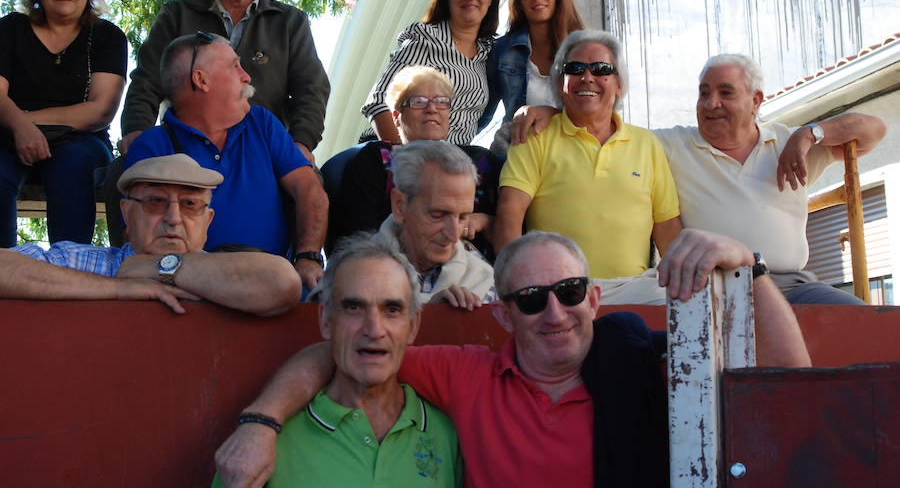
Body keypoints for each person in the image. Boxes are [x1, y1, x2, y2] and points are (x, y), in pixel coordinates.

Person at [213, 228, 810, 487]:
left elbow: (792, 388)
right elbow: (346, 352)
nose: (554, 314)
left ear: (594, 299)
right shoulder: (466, 373)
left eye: (570, 292)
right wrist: (262, 422)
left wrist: (749, 265)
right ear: (502, 314)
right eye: (529, 300)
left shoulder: (642, 366)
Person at [212, 233, 462, 487]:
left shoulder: (446, 434)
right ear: (326, 320)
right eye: (354, 307)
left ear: (413, 326)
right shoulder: (262, 443)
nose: (374, 329)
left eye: (392, 310)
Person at [653, 54, 887, 304]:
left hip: (791, 287)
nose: (711, 104)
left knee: (863, 320)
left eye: (726, 93)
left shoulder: (788, 144)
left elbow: (873, 130)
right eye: (704, 93)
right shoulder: (671, 145)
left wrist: (809, 134)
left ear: (755, 101)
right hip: (711, 289)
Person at [124, 33, 327, 287]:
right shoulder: (152, 147)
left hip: (278, 285)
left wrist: (308, 257)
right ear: (201, 80)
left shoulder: (262, 123)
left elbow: (310, 190)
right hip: (190, 290)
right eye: (235, 66)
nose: (247, 76)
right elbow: (139, 240)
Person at [119, 0, 328, 163]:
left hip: (264, 150)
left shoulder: (290, 22)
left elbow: (312, 89)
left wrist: (300, 144)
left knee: (312, 192)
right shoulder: (178, 14)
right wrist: (137, 132)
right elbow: (147, 80)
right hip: (185, 148)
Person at [1, 153, 300, 316]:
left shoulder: (230, 276)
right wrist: (118, 289)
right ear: (127, 214)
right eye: (155, 201)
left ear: (208, 221)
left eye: (190, 205)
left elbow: (283, 284)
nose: (173, 217)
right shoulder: (76, 260)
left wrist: (155, 268)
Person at [495, 29, 682, 284]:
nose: (587, 77)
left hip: (632, 290)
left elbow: (668, 228)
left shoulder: (646, 143)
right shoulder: (535, 135)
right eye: (575, 68)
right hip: (557, 293)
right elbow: (509, 214)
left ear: (619, 85)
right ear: (561, 84)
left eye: (601, 69)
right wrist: (518, 288)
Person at [0, 0, 127, 247]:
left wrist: (28, 123)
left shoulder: (107, 36)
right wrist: (19, 127)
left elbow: (99, 111)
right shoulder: (10, 28)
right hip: (6, 133)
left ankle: (69, 273)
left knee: (71, 169)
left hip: (80, 140)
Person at [327, 65, 502, 258]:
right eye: (418, 101)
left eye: (441, 101)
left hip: (475, 272)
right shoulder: (378, 159)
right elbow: (357, 234)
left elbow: (511, 225)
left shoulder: (481, 160)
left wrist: (483, 221)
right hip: (394, 267)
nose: (432, 109)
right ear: (396, 117)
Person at [319, 140, 493, 308]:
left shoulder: (485, 280)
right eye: (438, 215)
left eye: (463, 217)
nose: (454, 235)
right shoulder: (349, 276)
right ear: (400, 206)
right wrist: (430, 319)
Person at [360, 0, 499, 145]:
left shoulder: (490, 53)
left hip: (456, 160)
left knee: (497, 168)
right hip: (407, 157)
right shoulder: (425, 39)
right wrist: (403, 158)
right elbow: (377, 101)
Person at [482, 0, 585, 154]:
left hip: (571, 152)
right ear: (518, 0)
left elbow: (598, 112)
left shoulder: (585, 49)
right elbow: (482, 114)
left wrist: (551, 113)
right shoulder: (501, 49)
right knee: (476, 172)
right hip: (514, 151)